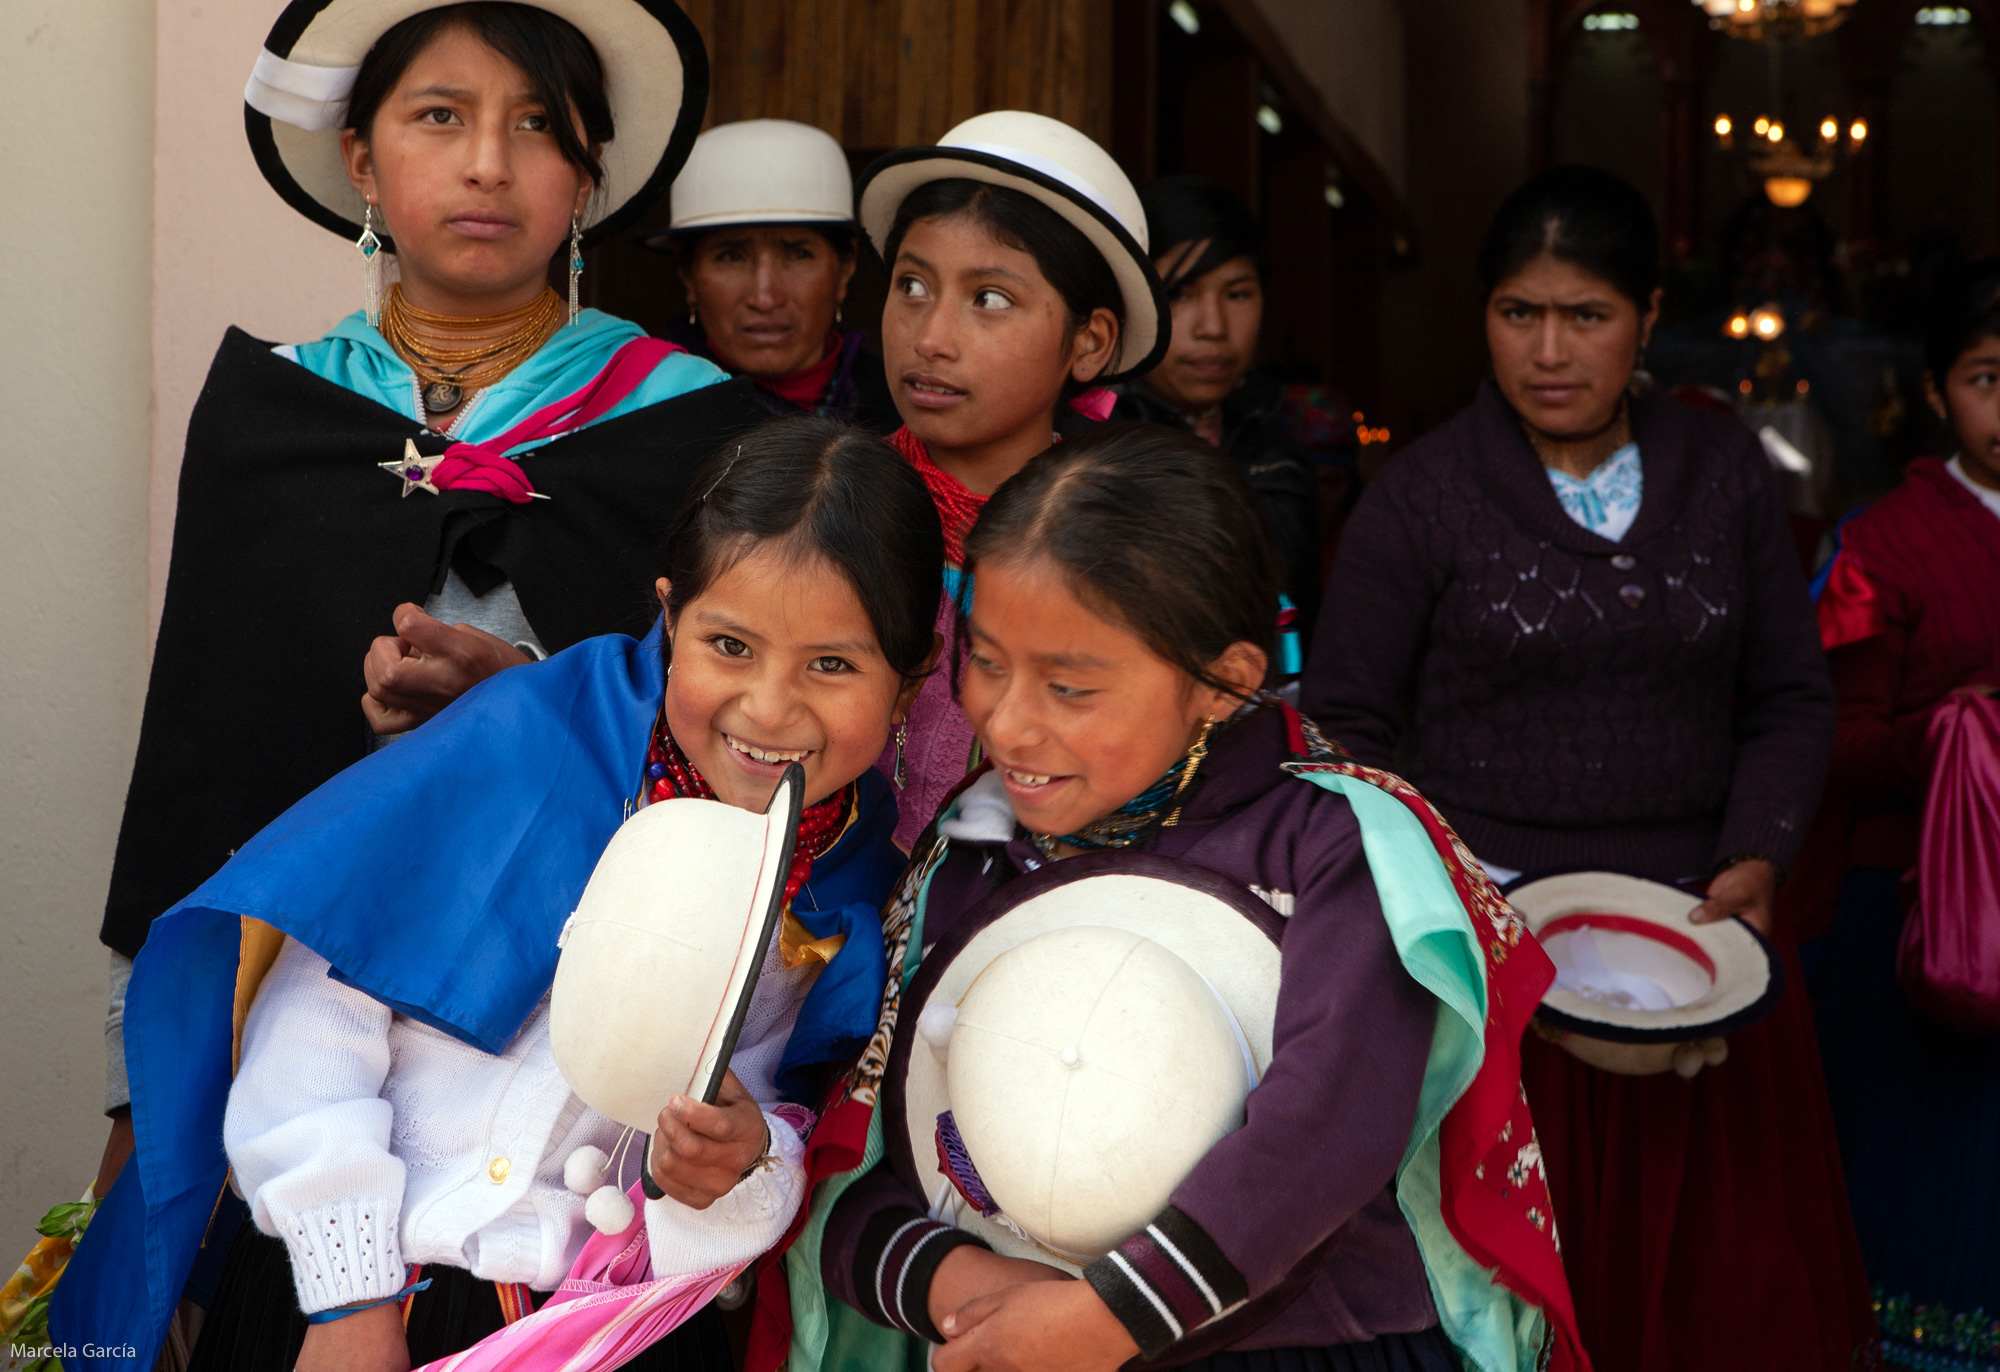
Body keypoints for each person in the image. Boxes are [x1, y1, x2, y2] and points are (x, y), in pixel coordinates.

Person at [54, 419, 944, 1372]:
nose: (769, 706)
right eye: (729, 644)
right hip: (357, 1305)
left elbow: (773, 1153)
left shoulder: (850, 898)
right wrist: (349, 1296)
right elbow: (316, 1022)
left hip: (604, 1340)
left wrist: (739, 1166)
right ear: (669, 616)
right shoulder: (524, 747)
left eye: (832, 665)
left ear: (910, 683)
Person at [94, 0, 768, 1205]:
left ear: (587, 171)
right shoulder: (277, 418)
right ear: (361, 156)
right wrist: (147, 1103)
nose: (487, 164)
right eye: (439, 117)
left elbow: (748, 754)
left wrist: (533, 710)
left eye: (537, 127)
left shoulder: (694, 433)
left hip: (563, 1073)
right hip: (293, 1069)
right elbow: (201, 767)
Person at [788, 423, 1586, 1372]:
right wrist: (963, 1288)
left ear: (1224, 682)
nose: (1004, 720)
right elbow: (870, 1140)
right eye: (988, 661)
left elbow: (1329, 1124)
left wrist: (1103, 1322)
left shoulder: (1335, 849)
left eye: (1071, 687)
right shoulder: (971, 850)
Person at [1301, 165, 1872, 1371]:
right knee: (1531, 1286)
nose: (1548, 350)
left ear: (1647, 318)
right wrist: (1450, 898)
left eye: (1585, 316)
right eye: (1519, 313)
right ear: (1483, 318)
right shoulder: (1419, 498)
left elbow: (1786, 692)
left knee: (1724, 1289)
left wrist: (1758, 854)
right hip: (1497, 947)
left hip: (1701, 938)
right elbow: (1346, 722)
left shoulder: (1722, 477)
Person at [851, 111, 1171, 846]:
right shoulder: (825, 511)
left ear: (1089, 344)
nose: (930, 336)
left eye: (989, 299)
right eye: (911, 285)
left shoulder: (1123, 555)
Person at [1806, 260, 2000, 1366]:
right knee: (1918, 1198)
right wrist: (1954, 734)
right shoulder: (1879, 545)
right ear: (1935, 392)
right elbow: (1835, 744)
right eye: (1984, 378)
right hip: (1914, 916)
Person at [1114, 175, 1321, 653]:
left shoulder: (1281, 457)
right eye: (1181, 294)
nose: (1213, 327)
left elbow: (1299, 632)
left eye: (1238, 294)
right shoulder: (1086, 447)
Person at [636, 118, 899, 430]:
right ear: (687, 272)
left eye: (798, 254)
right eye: (731, 256)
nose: (764, 298)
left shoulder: (899, 413)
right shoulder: (645, 414)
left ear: (845, 267)